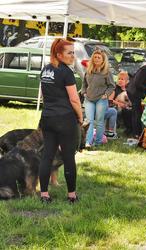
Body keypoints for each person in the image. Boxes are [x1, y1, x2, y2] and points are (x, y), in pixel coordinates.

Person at [39, 38, 83, 203]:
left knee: (47, 156)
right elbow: (74, 100)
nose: (73, 56)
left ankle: (44, 195)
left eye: (73, 52)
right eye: (69, 53)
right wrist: (80, 116)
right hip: (65, 119)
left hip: (48, 118)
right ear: (59, 54)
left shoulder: (45, 70)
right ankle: (72, 196)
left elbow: (44, 95)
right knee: (68, 157)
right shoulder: (66, 72)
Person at [81, 49, 115, 147]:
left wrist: (106, 94)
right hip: (89, 99)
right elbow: (84, 84)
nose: (96, 59)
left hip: (101, 99)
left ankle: (98, 142)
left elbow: (112, 86)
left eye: (98, 57)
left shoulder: (107, 72)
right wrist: (84, 93)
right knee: (89, 121)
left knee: (99, 121)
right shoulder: (88, 71)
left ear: (103, 60)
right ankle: (88, 142)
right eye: (95, 57)